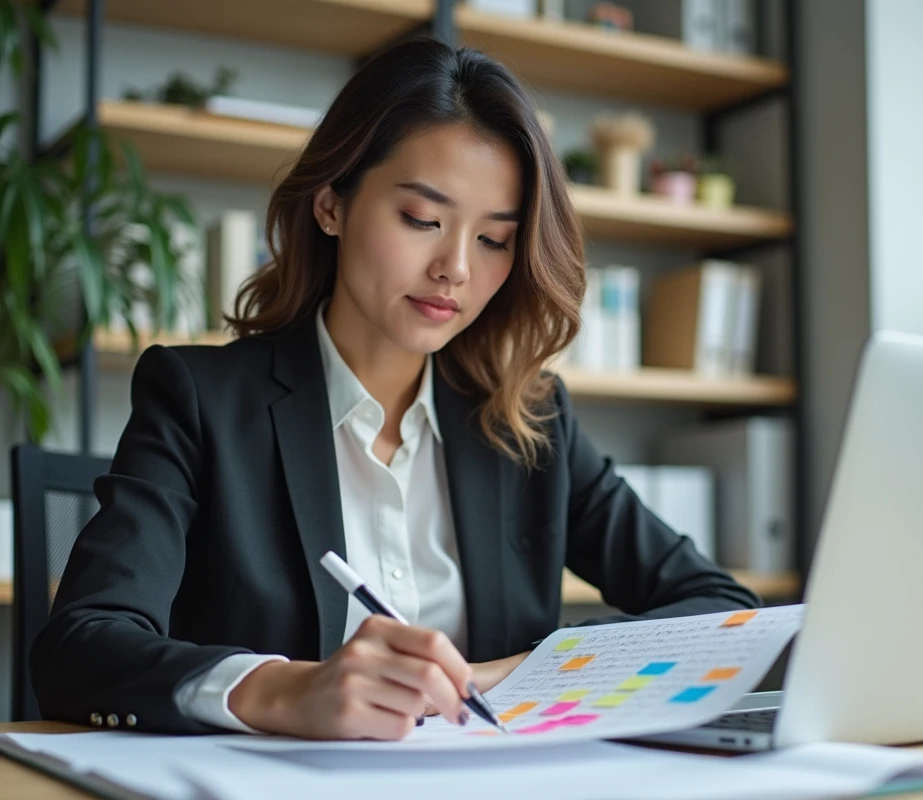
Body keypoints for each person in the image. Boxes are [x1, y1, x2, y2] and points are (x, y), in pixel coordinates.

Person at [30, 37, 759, 740]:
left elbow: (720, 609)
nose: (456, 269)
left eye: (494, 239)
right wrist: (289, 689)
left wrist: (516, 673)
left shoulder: (530, 421)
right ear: (331, 205)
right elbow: (81, 647)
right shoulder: (200, 399)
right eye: (421, 219)